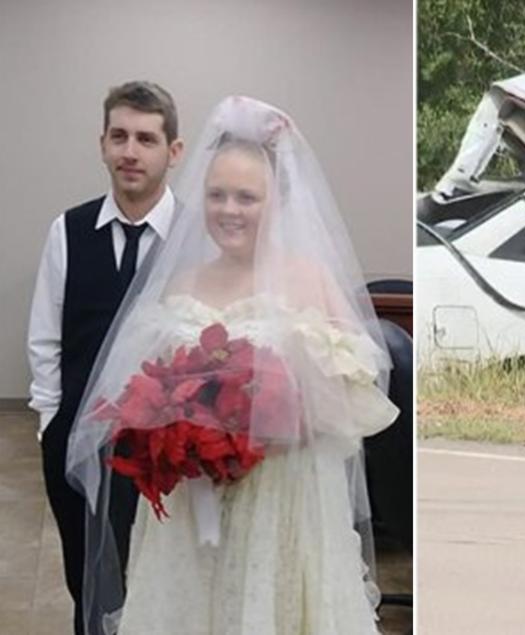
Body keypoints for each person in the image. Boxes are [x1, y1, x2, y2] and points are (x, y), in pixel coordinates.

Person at [66, 96, 399, 634]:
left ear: (278, 202)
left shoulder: (310, 279)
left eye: (248, 197)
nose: (229, 210)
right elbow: (140, 394)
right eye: (217, 194)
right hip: (191, 506)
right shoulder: (182, 282)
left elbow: (352, 404)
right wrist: (177, 433)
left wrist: (263, 423)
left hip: (281, 503)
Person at [27, 81, 183, 635]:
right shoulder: (67, 231)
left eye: (146, 138)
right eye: (119, 136)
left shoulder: (195, 240)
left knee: (157, 583)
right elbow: (46, 337)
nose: (130, 151)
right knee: (86, 581)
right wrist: (51, 424)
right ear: (102, 144)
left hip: (166, 452)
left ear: (174, 151)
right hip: (76, 440)